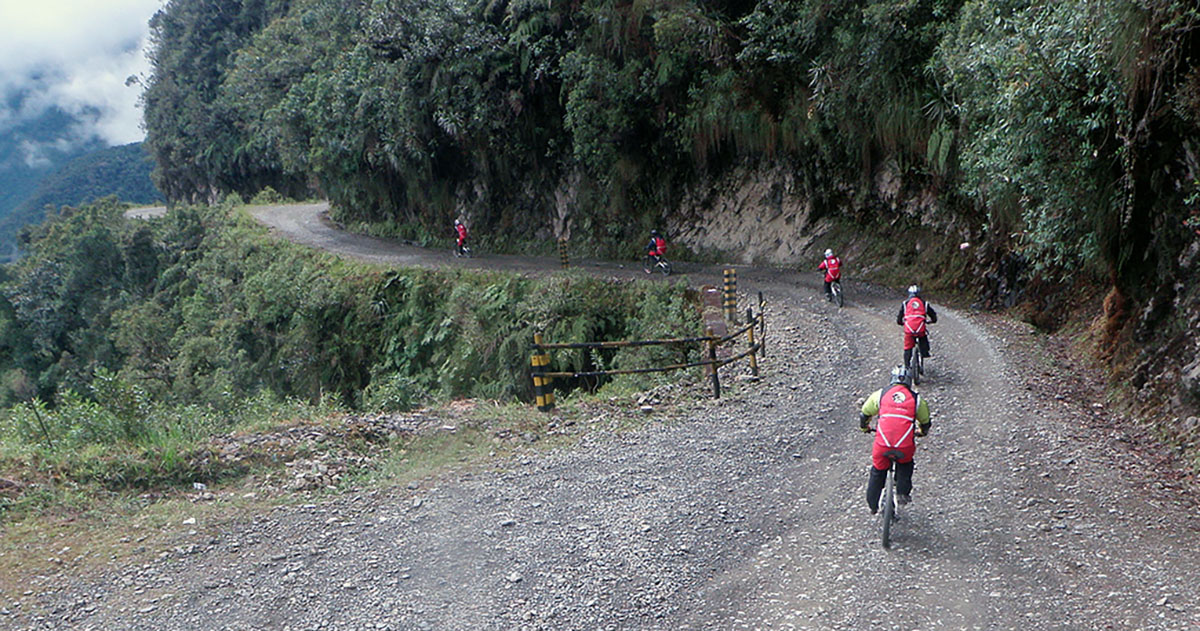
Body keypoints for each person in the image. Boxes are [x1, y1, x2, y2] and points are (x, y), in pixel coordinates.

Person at [859, 365, 931, 513]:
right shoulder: (917, 399)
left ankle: (873, 505)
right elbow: (925, 422)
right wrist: (922, 432)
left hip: (882, 445)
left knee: (878, 471)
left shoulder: (880, 394)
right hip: (904, 446)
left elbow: (864, 414)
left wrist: (865, 428)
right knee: (905, 464)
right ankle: (902, 493)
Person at [897, 285, 937, 369]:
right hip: (920, 329)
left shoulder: (905, 303)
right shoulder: (924, 303)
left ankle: (907, 366)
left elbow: (899, 317)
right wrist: (933, 320)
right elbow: (933, 314)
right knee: (923, 337)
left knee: (908, 347)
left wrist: (900, 322)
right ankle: (925, 352)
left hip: (909, 330)